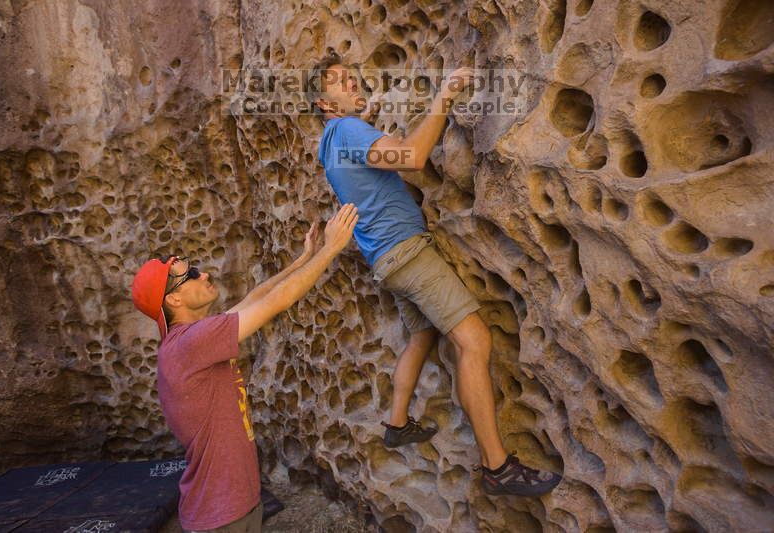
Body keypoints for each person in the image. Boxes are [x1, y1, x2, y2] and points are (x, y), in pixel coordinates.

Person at [308, 56, 562, 497]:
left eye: (352, 76)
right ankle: (497, 467)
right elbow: (411, 158)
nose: (352, 82)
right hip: (407, 252)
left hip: (384, 259)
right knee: (475, 340)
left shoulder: (328, 143)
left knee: (422, 336)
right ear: (323, 103)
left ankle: (397, 423)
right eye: (340, 82)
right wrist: (444, 96)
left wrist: (367, 115)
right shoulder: (346, 130)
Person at [131, 204, 358, 532]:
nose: (203, 274)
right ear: (173, 301)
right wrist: (331, 249)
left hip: (236, 505)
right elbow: (276, 303)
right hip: (220, 516)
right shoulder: (190, 344)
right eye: (190, 275)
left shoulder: (191, 340)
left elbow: (256, 297)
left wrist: (305, 257)